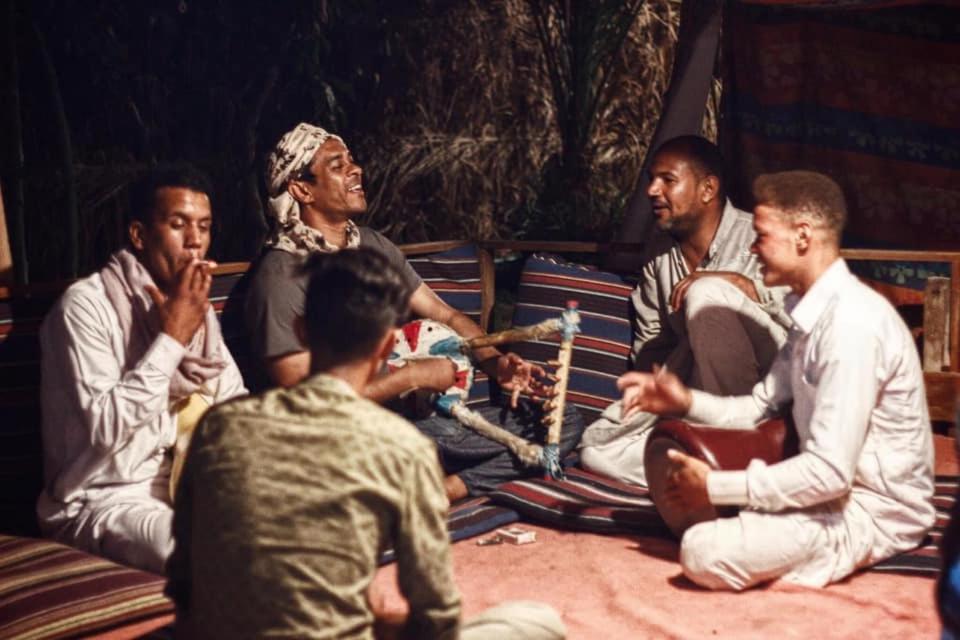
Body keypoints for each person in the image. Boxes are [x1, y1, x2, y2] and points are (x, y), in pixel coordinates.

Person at [167, 248, 566, 639]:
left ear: (302, 331)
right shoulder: (402, 449)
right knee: (536, 621)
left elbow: (184, 577)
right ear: (388, 346)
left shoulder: (220, 425)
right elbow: (435, 611)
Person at [617, 170, 934, 590]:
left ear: (802, 236)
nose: (752, 248)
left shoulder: (851, 325)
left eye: (762, 236)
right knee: (696, 518)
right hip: (830, 495)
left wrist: (715, 487)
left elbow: (830, 472)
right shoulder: (811, 315)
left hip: (872, 511)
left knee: (701, 550)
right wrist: (684, 402)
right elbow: (756, 407)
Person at [245, 123, 583, 500]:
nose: (356, 170)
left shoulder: (372, 246)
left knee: (563, 420)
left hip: (423, 424)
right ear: (302, 189)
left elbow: (446, 316)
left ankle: (445, 488)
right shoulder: (281, 275)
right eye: (337, 166)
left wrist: (497, 364)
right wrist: (411, 375)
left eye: (352, 161)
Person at [36, 165, 247, 573]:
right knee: (213, 555)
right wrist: (172, 338)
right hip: (104, 499)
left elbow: (233, 401)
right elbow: (107, 428)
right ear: (139, 235)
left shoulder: (194, 307)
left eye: (204, 227)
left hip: (190, 486)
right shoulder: (85, 307)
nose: (195, 240)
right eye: (178, 224)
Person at [580, 136, 790, 486]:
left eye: (668, 180)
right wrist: (650, 398)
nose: (652, 190)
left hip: (766, 397)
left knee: (706, 293)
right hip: (696, 396)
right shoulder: (659, 255)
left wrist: (742, 285)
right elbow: (654, 344)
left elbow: (805, 324)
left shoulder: (759, 235)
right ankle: (716, 468)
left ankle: (742, 447)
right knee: (596, 451)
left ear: (708, 189)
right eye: (651, 179)